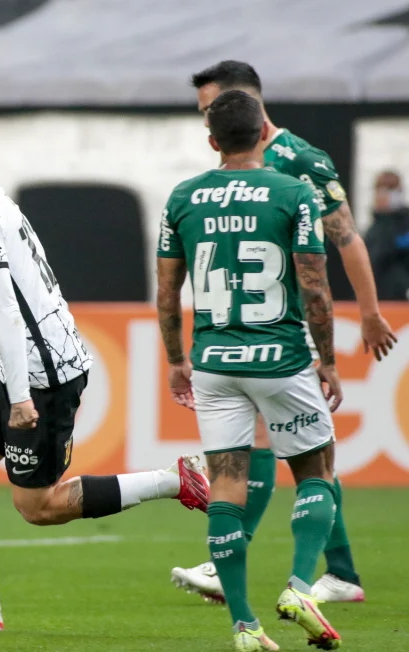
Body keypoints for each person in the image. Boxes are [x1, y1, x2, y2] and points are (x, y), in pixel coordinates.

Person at [0, 105, 211, 632]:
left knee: (39, 506)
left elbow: (8, 310)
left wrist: (18, 396)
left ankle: (175, 482)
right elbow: (7, 291)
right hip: (15, 359)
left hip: (40, 372)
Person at [171, 60, 398, 604]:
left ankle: (273, 557)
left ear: (242, 103)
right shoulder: (221, 176)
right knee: (281, 446)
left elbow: (344, 238)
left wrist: (368, 311)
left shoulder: (299, 161)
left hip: (283, 333)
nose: (208, 120)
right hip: (239, 331)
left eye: (212, 108)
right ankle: (336, 571)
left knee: (287, 447)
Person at [158, 89, 343, 651]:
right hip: (280, 357)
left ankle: (244, 624)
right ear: (265, 132)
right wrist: (328, 359)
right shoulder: (293, 191)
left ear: (212, 141)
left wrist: (175, 360)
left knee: (227, 484)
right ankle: (298, 586)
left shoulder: (184, 196)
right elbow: (314, 285)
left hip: (214, 363)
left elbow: (168, 292)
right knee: (316, 471)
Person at [366, 170, 409, 301]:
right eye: (379, 191)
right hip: (377, 294)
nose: (381, 196)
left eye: (388, 191)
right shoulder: (375, 226)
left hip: (399, 295)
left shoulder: (403, 224)